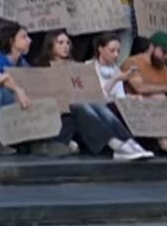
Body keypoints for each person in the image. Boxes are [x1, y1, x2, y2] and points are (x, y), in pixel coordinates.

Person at [34, 30, 151, 160]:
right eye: (60, 43)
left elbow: (90, 92)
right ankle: (115, 144)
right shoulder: (41, 67)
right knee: (79, 104)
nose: (66, 46)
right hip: (57, 110)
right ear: (50, 45)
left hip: (77, 106)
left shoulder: (75, 66)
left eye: (68, 43)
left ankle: (128, 142)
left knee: (95, 104)